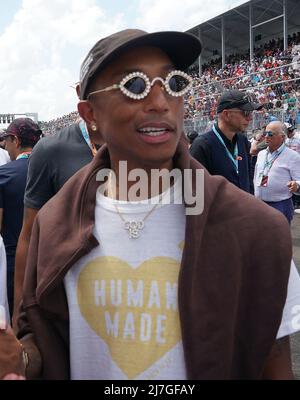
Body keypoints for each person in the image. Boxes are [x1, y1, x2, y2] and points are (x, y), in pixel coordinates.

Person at [1, 28, 300, 380]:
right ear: (89, 113)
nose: (160, 102)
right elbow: (50, 343)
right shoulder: (54, 224)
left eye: (173, 83)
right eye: (136, 85)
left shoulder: (252, 226)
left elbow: (272, 357)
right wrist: (18, 359)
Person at [12, 112, 103, 325]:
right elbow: (28, 234)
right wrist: (19, 312)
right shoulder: (51, 150)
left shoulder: (151, 147)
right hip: (70, 304)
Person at [0, 119, 41, 318]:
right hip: (49, 261)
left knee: (18, 323)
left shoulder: (3, 174)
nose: (5, 148)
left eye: (6, 141)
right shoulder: (52, 170)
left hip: (14, 263)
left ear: (15, 140)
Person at [190, 90, 263, 193]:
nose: (250, 118)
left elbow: (248, 179)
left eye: (251, 113)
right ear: (227, 114)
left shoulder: (242, 141)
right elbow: (193, 193)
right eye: (245, 113)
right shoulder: (202, 145)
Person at [254, 121, 300, 223]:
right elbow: (256, 176)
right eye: (265, 133)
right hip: (259, 204)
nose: (266, 136)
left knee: (278, 238)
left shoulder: (293, 156)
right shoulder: (261, 154)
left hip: (280, 205)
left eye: (270, 134)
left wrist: (296, 185)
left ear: (282, 137)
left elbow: (299, 180)